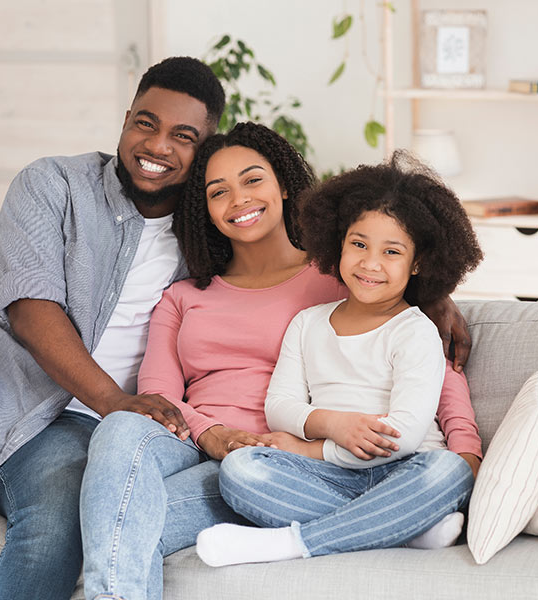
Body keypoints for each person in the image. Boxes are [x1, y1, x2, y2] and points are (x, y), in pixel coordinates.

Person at [80, 122, 482, 600]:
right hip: (201, 443)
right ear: (203, 208)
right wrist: (213, 434)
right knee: (121, 432)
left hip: (285, 457)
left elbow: (428, 363)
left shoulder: (341, 276)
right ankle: (397, 523)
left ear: (285, 185)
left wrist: (466, 450)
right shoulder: (182, 297)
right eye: (218, 191)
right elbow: (159, 397)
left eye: (253, 180)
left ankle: (344, 527)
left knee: (127, 523)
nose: (239, 200)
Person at [0, 57, 225, 599]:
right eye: (146, 123)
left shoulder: (210, 235)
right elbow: (32, 309)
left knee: (55, 538)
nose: (157, 147)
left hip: (75, 435)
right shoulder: (53, 183)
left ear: (205, 149)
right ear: (127, 118)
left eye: (183, 136)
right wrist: (113, 400)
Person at [194, 149, 484, 567]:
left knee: (448, 474)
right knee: (240, 472)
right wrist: (334, 424)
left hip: (403, 469)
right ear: (338, 243)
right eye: (359, 244)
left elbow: (399, 437)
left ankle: (291, 543)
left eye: (392, 252)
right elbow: (279, 407)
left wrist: (311, 449)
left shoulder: (416, 330)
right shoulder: (307, 324)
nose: (370, 263)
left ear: (418, 263)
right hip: (327, 480)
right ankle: (403, 530)